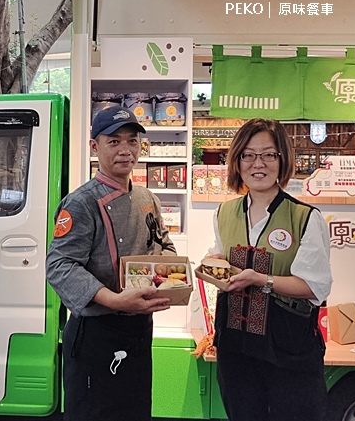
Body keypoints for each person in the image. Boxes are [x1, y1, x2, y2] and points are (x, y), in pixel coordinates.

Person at [46, 105, 177, 421]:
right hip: (97, 331)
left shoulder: (148, 198)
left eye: (132, 141)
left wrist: (171, 276)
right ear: (95, 147)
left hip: (138, 328)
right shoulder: (81, 203)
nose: (126, 150)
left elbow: (165, 246)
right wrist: (114, 299)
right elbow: (59, 266)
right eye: (114, 141)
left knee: (134, 410)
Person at [203, 118, 332, 421]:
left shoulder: (305, 217)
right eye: (248, 154)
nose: (257, 163)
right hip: (235, 344)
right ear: (237, 161)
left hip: (288, 345)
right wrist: (213, 265)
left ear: (282, 159)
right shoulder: (224, 212)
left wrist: (263, 280)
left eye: (268, 155)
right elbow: (217, 256)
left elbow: (315, 287)